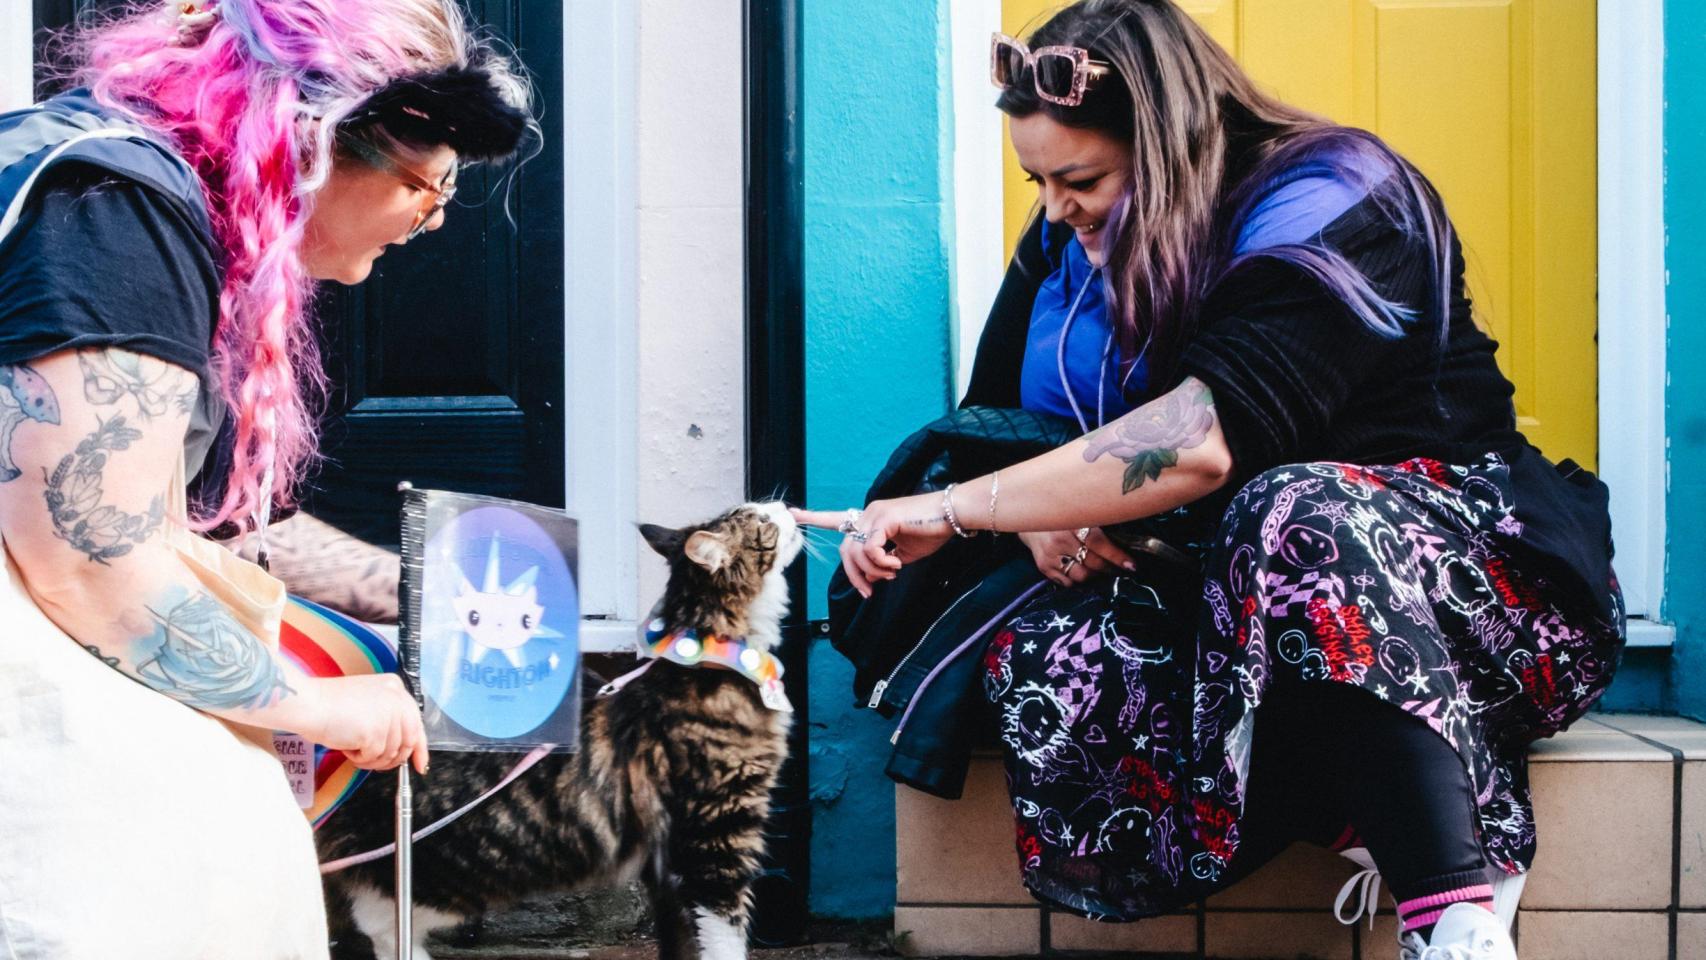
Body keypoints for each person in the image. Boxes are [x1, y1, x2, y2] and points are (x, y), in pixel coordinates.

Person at [798, 2, 1622, 958]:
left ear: (1173, 143)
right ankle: (1377, 817)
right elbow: (1006, 428)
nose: (1056, 208)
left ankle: (1451, 919)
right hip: (1234, 593)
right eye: (1038, 180)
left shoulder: (1337, 197)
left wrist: (952, 506)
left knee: (1293, 512)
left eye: (1082, 178)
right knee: (1051, 658)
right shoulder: (1069, 235)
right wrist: (1030, 519)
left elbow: (1202, 442)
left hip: (1473, 586)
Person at [0, 1, 531, 956]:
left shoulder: (136, 198)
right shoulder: (116, 216)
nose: (439, 218)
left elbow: (223, 522)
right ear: (326, 132)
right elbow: (89, 557)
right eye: (429, 183)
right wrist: (321, 705)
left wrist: (421, 596)